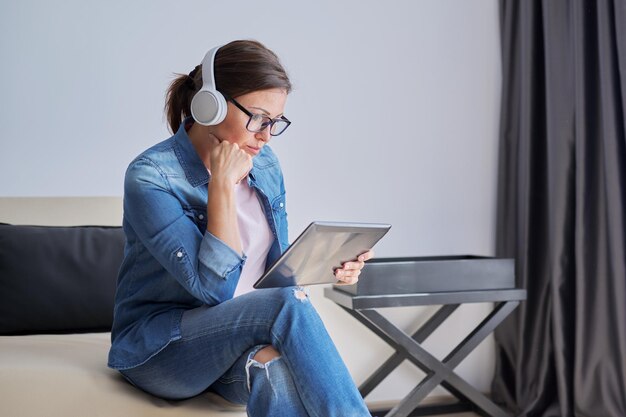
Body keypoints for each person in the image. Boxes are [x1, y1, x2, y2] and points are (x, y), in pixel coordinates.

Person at [107, 39, 374, 417]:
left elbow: (275, 277)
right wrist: (221, 188)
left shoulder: (265, 165)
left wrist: (327, 263)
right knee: (286, 306)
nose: (266, 135)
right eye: (259, 118)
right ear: (209, 105)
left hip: (236, 341)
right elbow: (214, 291)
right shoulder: (151, 177)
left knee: (272, 365)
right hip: (162, 351)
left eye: (275, 123)